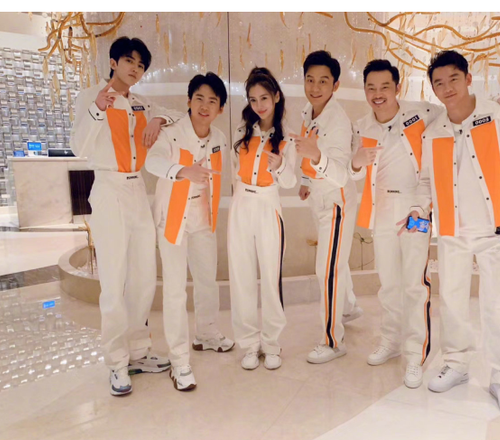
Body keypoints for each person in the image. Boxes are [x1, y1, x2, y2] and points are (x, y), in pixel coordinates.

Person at [350, 59, 500, 389]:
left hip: (416, 211)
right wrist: (355, 164)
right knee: (388, 283)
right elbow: (352, 171)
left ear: (398, 87)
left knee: (414, 283)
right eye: (371, 88)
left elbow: (461, 110)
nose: (378, 94)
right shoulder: (362, 126)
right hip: (382, 209)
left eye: (385, 86)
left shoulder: (423, 113)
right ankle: (391, 340)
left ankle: (415, 353)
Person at [406, 50, 500, 418]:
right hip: (451, 230)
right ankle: (456, 363)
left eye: (453, 79)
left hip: (496, 230)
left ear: (468, 79)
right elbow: (426, 180)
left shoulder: (499, 115)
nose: (447, 88)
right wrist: (419, 209)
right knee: (452, 301)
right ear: (433, 89)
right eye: (439, 83)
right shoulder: (433, 131)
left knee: (496, 305)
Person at [71, 37, 184, 396]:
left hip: (137, 191)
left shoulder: (142, 103)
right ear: (113, 62)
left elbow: (177, 115)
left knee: (143, 277)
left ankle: (138, 351)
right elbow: (77, 147)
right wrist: (97, 109)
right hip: (108, 189)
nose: (135, 69)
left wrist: (159, 119)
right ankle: (117, 362)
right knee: (114, 281)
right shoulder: (90, 97)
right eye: (129, 61)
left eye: (141, 65)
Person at [145, 73, 234, 391]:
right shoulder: (171, 133)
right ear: (189, 101)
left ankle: (206, 334)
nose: (204, 106)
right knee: (175, 290)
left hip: (202, 217)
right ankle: (179, 359)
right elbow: (152, 162)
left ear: (220, 108)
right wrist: (182, 171)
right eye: (199, 99)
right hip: (173, 218)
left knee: (207, 279)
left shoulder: (219, 137)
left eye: (212, 101)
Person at [292, 51, 360, 364]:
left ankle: (333, 341)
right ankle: (348, 307)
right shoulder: (309, 110)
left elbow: (342, 174)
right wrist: (307, 179)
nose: (315, 87)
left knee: (327, 269)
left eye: (323, 81)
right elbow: (311, 152)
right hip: (319, 196)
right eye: (310, 80)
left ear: (335, 85)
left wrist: (316, 158)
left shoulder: (338, 121)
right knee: (334, 259)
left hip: (336, 201)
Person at [228, 67, 297, 370]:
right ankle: (248, 344)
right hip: (241, 204)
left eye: (264, 98)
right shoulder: (242, 132)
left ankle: (271, 343)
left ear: (276, 97)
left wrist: (280, 166)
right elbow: (234, 170)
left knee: (270, 278)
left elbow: (290, 182)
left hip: (269, 206)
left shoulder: (287, 137)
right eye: (253, 99)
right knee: (241, 276)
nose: (259, 105)